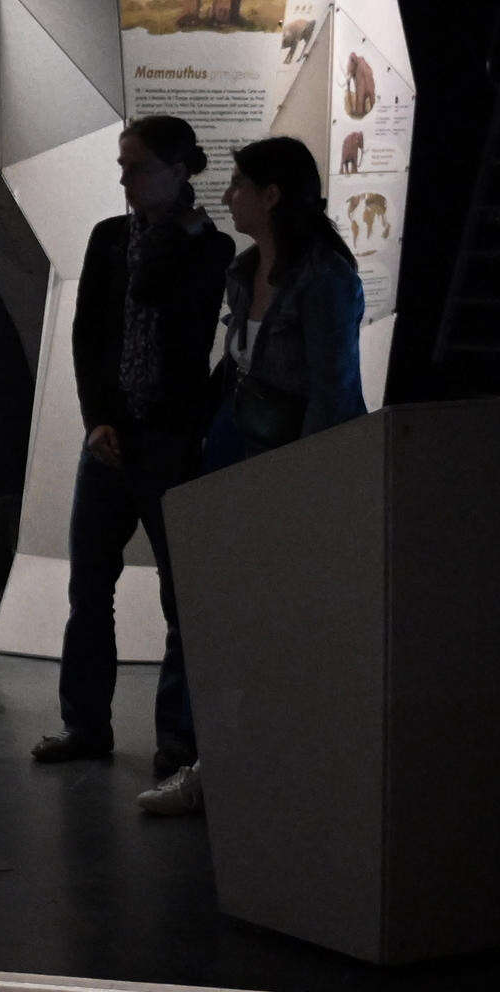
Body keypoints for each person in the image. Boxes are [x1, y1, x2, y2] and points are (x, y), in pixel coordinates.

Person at [138, 132, 367, 818]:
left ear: (271, 195)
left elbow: (332, 390)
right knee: (226, 618)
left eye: (239, 184)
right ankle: (214, 766)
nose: (228, 194)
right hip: (235, 456)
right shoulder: (244, 271)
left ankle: (266, 771)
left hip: (285, 468)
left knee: (281, 629)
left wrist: (307, 484)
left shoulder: (325, 278)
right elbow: (238, 364)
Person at [32, 117, 232, 786]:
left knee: (182, 598)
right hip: (112, 440)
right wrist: (95, 421)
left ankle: (176, 739)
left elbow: (157, 295)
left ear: (178, 170)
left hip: (171, 439)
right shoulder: (108, 238)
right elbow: (88, 336)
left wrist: (180, 232)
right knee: (89, 586)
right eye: (123, 165)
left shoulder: (209, 247)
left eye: (137, 166)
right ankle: (85, 724)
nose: (123, 178)